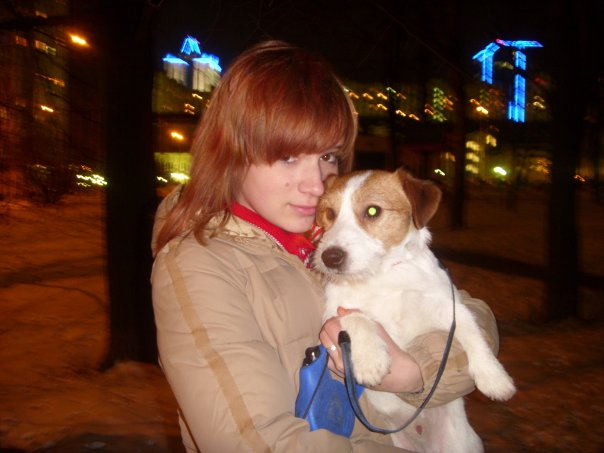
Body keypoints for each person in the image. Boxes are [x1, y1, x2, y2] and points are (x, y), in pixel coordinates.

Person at [151, 40, 500, 452]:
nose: (317, 185)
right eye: (288, 157)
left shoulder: (330, 241)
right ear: (231, 153)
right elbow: (260, 442)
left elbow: (473, 315)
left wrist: (415, 371)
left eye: (328, 156)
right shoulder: (201, 266)